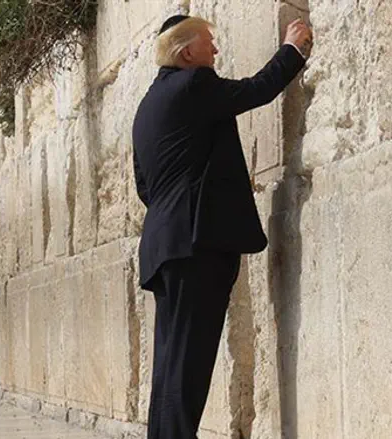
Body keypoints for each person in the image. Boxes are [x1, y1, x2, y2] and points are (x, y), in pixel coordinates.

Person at [131, 14, 313, 439]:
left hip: (164, 245)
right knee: (189, 365)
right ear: (186, 51)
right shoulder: (194, 85)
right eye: (209, 43)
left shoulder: (147, 106)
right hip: (196, 245)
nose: (215, 50)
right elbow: (255, 90)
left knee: (171, 362)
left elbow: (145, 185)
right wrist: (292, 48)